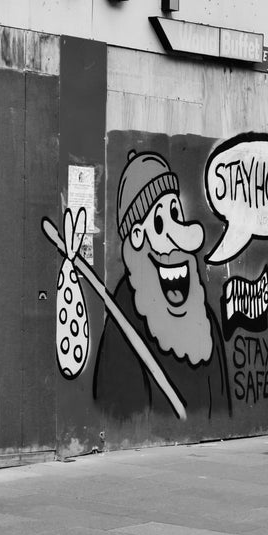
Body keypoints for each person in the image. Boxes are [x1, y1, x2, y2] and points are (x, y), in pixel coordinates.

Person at [93, 150, 228, 420]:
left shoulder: (203, 320)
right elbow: (118, 412)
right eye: (159, 221)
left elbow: (222, 402)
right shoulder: (125, 320)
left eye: (176, 213)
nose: (177, 235)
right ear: (138, 236)